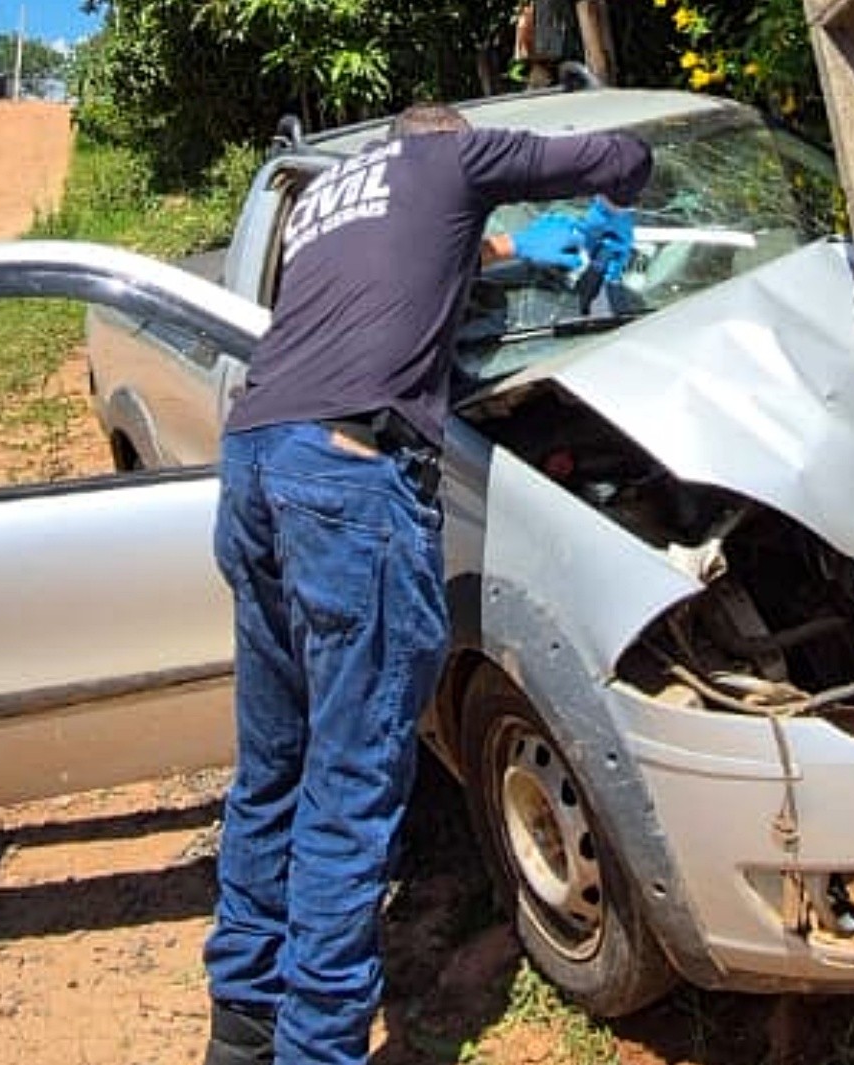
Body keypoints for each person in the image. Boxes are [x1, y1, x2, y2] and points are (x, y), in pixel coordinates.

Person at [202, 103, 652, 1065]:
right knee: (349, 787)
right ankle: (318, 1048)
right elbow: (608, 152)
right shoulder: (451, 155)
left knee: (273, 766)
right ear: (447, 138)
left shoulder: (327, 195)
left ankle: (241, 1024)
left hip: (253, 461)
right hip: (347, 478)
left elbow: (395, 282)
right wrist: (629, 186)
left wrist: (492, 255)